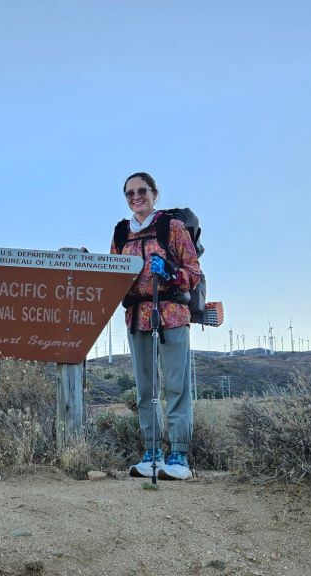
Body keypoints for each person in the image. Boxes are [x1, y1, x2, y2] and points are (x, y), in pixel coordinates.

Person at [111, 172, 201, 480]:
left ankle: (179, 455)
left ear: (154, 193)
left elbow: (193, 272)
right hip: (137, 317)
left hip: (172, 314)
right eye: (130, 193)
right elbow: (114, 273)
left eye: (142, 191)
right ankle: (152, 452)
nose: (136, 197)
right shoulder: (121, 233)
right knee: (145, 389)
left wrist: (172, 271)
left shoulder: (172, 227)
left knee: (176, 386)